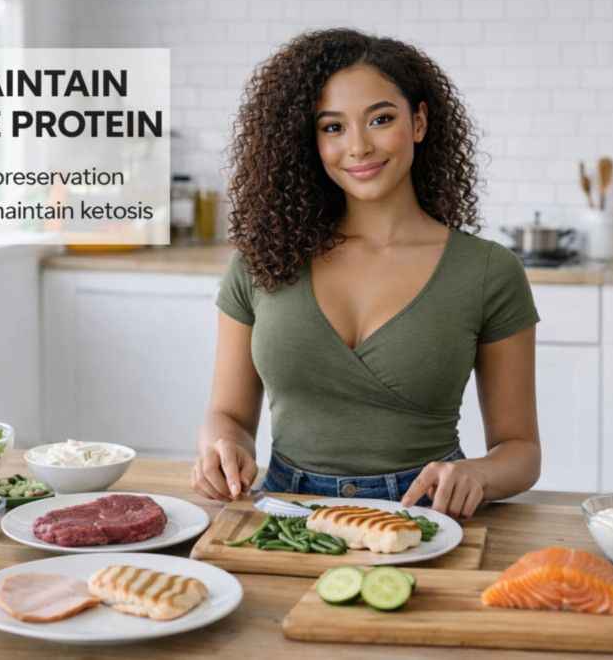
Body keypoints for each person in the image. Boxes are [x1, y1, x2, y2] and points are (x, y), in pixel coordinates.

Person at [191, 29, 541, 519]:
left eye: (380, 119)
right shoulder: (261, 260)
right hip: (286, 513)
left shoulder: (487, 271)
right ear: (306, 139)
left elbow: (520, 449)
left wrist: (477, 474)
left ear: (419, 122)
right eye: (332, 127)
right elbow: (225, 415)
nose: (358, 146)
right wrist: (221, 447)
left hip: (428, 514)